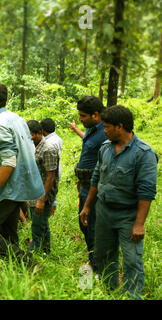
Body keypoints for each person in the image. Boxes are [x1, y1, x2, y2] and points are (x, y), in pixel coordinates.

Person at [79, 105, 158, 300]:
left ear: (120, 127)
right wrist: (88, 206)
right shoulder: (105, 148)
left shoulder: (144, 153)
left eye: (107, 127)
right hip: (104, 210)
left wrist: (139, 224)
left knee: (132, 260)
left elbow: (146, 191)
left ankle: (132, 296)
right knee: (104, 254)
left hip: (128, 215)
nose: (104, 130)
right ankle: (109, 291)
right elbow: (96, 179)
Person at [0, 82, 44, 266]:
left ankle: (29, 263)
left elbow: (9, 161)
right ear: (6, 99)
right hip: (17, 187)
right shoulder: (17, 120)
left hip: (4, 189)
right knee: (8, 234)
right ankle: (18, 274)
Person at [70, 96, 106, 273]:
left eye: (83, 116)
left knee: (92, 227)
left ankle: (98, 266)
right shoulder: (92, 129)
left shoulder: (106, 132)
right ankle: (94, 259)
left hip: (96, 189)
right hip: (85, 185)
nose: (81, 119)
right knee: (84, 224)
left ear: (96, 115)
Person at [27, 120, 60, 254]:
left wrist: (42, 200)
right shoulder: (33, 147)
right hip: (34, 191)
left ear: (39, 133)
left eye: (31, 135)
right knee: (42, 223)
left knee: (37, 226)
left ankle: (33, 253)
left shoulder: (48, 150)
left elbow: (50, 176)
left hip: (43, 193)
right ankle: (46, 251)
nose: (29, 138)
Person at [40, 118, 63, 217]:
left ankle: (50, 214)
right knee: (53, 191)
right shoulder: (57, 138)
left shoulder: (49, 142)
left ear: (43, 130)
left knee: (49, 192)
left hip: (51, 168)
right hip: (57, 167)